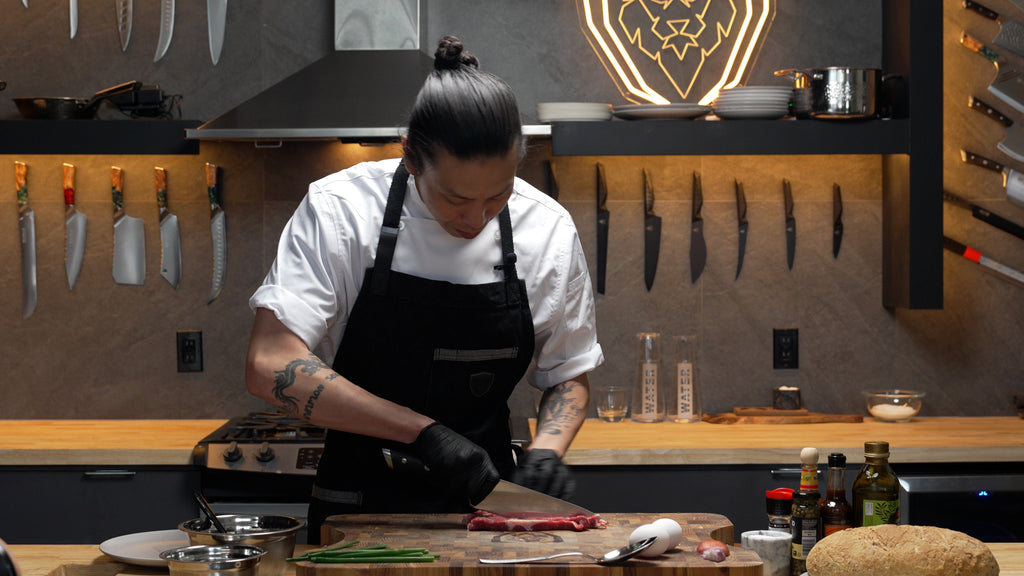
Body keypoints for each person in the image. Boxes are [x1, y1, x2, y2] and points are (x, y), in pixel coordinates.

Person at [245, 35, 603, 543]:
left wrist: (547, 449)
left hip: (490, 511)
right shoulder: (341, 211)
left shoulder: (546, 229)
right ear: (412, 160)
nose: (477, 219)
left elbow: (568, 372)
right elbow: (268, 365)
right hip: (357, 517)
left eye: (498, 195)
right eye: (456, 198)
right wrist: (424, 433)